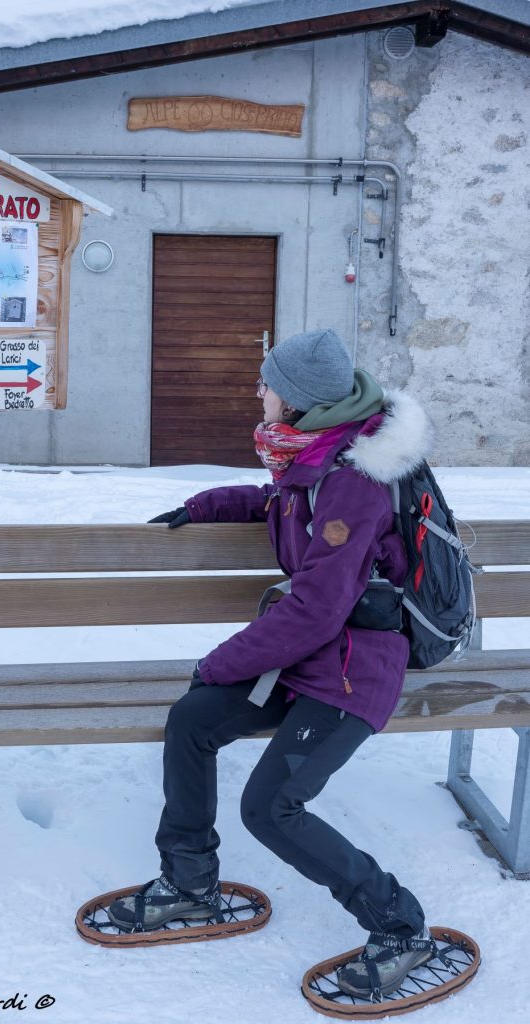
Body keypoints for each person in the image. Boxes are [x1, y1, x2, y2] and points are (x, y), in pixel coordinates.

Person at [107, 328, 436, 999]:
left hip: (353, 671)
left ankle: (400, 925)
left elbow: (315, 610)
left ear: (298, 399)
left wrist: (219, 662)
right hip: (304, 661)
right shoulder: (316, 458)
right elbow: (278, 502)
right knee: (193, 720)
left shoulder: (354, 483)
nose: (257, 391)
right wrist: (203, 505)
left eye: (267, 383)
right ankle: (189, 882)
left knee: (271, 807)